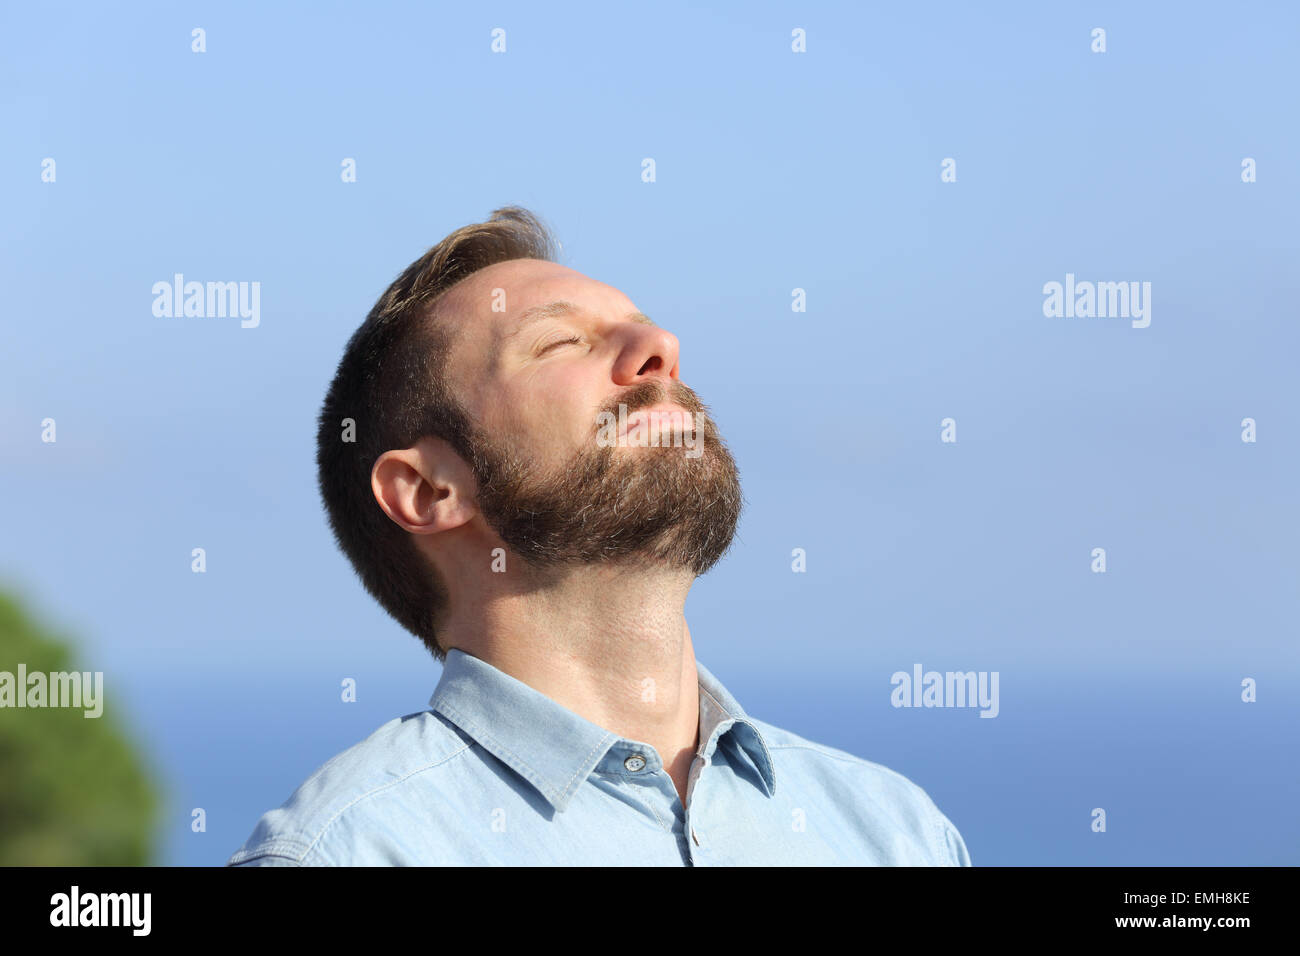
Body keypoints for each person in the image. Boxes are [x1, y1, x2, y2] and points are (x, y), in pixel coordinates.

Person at [226, 207, 972, 866]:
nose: (660, 346)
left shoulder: (897, 834)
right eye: (560, 344)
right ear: (429, 491)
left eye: (643, 324)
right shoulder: (352, 853)